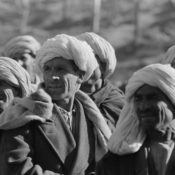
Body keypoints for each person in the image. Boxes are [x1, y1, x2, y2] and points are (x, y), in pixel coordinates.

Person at [0, 34, 111, 175]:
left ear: (80, 75)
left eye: (60, 69)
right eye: (47, 69)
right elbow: (16, 168)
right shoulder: (24, 113)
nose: (53, 77)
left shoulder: (92, 116)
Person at [96, 63, 175, 175]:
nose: (143, 107)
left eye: (152, 98)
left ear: (172, 101)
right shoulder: (114, 162)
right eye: (138, 99)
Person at [77, 32, 125, 132]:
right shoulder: (66, 96)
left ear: (103, 67)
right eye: (78, 62)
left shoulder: (118, 102)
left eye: (89, 63)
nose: (83, 68)